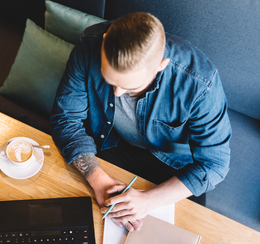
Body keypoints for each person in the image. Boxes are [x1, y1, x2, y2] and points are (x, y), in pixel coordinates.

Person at [51, 13, 231, 232]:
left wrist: (149, 201)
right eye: (110, 81)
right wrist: (98, 179)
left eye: (130, 87)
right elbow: (66, 119)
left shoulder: (200, 82)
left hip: (172, 163)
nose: (117, 93)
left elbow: (214, 165)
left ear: (161, 66)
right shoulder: (91, 44)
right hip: (110, 140)